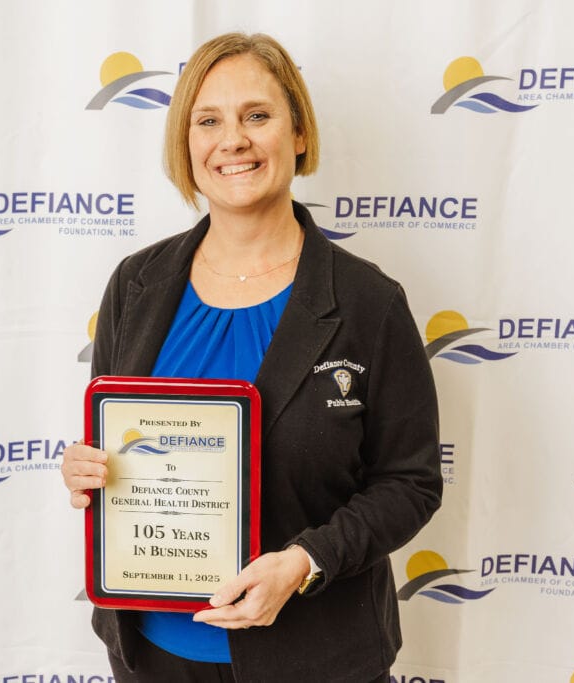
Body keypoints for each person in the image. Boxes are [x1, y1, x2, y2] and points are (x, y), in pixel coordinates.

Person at [61, 32, 441, 682]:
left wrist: (306, 562)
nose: (232, 140)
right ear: (186, 144)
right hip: (154, 656)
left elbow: (411, 481)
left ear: (298, 132)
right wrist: (87, 469)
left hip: (316, 658)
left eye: (256, 116)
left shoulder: (369, 302)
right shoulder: (136, 284)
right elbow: (113, 440)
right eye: (208, 121)